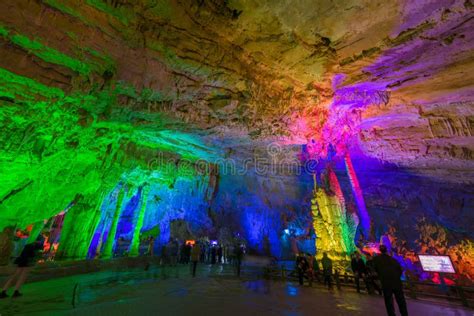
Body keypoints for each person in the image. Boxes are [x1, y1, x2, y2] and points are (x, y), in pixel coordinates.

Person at [0, 232, 47, 298]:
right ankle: (16, 291)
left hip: (21, 260)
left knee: (15, 275)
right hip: (27, 261)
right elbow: (35, 253)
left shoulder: (27, 242)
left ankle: (4, 291)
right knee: (22, 276)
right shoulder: (35, 244)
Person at [373, 245, 408, 316]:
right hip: (396, 282)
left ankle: (392, 314)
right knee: (401, 300)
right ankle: (404, 314)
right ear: (387, 250)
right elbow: (400, 270)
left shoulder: (376, 259)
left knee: (388, 301)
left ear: (379, 250)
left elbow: (375, 270)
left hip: (386, 283)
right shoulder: (393, 260)